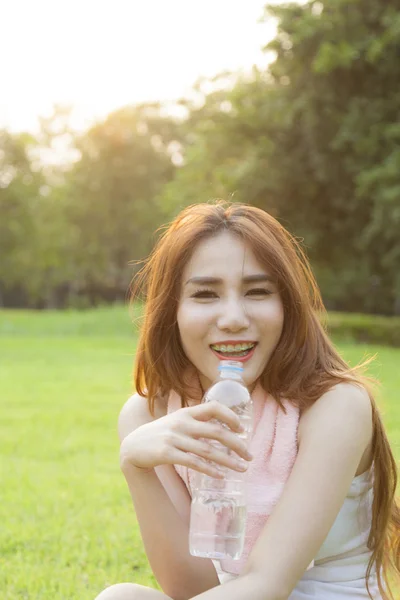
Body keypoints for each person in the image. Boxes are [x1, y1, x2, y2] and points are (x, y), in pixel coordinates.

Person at [95, 201, 399, 600]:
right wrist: (136, 466)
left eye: (257, 291)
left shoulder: (336, 405)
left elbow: (268, 584)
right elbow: (191, 588)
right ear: (173, 310)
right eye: (205, 294)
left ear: (287, 306)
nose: (234, 317)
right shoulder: (148, 416)